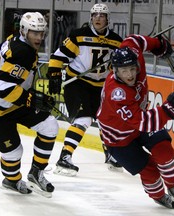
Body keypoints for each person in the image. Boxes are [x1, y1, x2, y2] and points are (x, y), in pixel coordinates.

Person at [96, 34, 174, 209]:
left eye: (132, 69)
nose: (130, 75)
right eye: (124, 71)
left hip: (138, 125)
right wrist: (169, 110)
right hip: (118, 138)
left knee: (163, 148)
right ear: (116, 71)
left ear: (137, 63)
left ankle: (173, 186)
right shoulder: (117, 93)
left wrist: (158, 45)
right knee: (149, 170)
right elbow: (142, 122)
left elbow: (134, 40)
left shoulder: (134, 54)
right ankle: (159, 195)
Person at [0, 12, 58, 198]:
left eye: (41, 33)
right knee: (14, 152)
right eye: (34, 33)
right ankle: (11, 181)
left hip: (14, 102)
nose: (39, 37)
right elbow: (3, 88)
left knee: (50, 126)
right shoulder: (23, 52)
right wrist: (31, 99)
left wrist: (30, 91)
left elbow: (6, 64)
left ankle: (36, 172)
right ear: (24, 30)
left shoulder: (16, 41)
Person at [47, 3, 123, 177]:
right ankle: (65, 156)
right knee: (85, 118)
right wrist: (54, 74)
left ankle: (110, 153)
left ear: (107, 19)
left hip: (100, 86)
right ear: (91, 17)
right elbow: (58, 56)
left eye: (102, 15)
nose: (98, 18)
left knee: (107, 120)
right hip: (78, 83)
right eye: (95, 15)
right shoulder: (78, 36)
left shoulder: (116, 41)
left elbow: (119, 64)